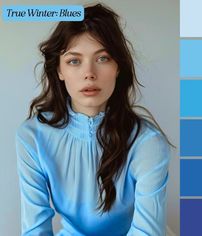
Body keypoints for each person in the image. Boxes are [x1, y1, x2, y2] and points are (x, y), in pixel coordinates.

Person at [15, 3, 172, 236]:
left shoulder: (148, 142)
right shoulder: (32, 136)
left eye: (103, 58)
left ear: (118, 67)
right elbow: (35, 230)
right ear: (59, 70)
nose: (89, 73)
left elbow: (146, 232)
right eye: (74, 61)